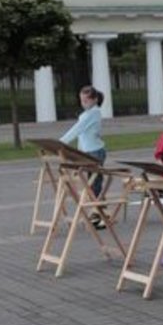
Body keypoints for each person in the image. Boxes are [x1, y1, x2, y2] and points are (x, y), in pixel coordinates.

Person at [60, 85, 107, 228]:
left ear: (94, 100)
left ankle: (99, 214)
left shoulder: (94, 112)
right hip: (88, 152)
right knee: (92, 183)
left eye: (86, 101)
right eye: (82, 101)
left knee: (95, 183)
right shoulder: (87, 114)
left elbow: (77, 129)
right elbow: (81, 137)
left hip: (95, 152)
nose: (83, 103)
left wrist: (61, 142)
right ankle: (97, 212)